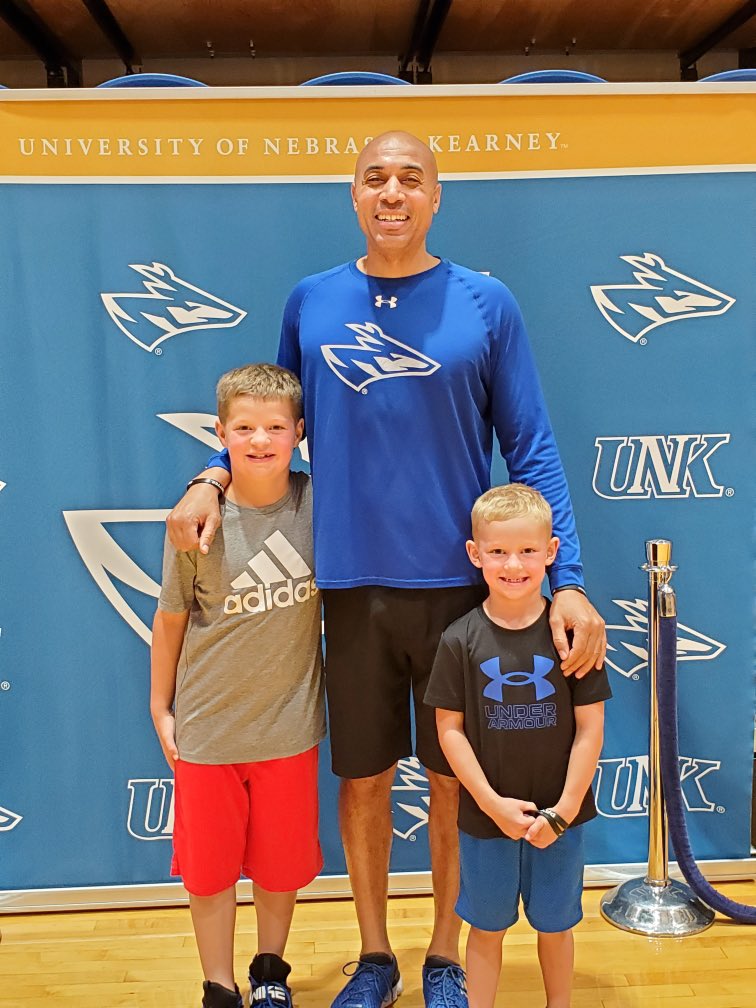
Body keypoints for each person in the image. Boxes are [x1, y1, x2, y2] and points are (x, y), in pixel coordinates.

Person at [166, 131, 607, 1008]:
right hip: (351, 586)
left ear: (437, 195)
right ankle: (376, 957)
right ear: (354, 196)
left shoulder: (486, 303)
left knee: (451, 779)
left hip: (457, 590)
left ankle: (445, 954)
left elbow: (532, 446)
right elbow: (268, 425)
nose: (393, 192)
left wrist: (572, 577)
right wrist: (211, 475)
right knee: (363, 779)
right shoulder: (312, 301)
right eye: (376, 178)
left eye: (411, 178)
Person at [151, 363, 325, 1008]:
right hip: (209, 730)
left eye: (276, 427)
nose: (260, 440)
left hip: (290, 727)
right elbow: (171, 619)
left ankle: (270, 974)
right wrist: (158, 705)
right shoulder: (195, 520)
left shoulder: (318, 504)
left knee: (280, 869)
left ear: (299, 433)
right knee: (210, 871)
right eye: (244, 427)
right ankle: (219, 986)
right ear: (220, 434)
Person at [425, 484, 611, 1008]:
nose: (514, 564)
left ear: (552, 552)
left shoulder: (574, 639)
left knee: (555, 928)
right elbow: (450, 731)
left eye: (529, 550)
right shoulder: (459, 639)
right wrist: (489, 803)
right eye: (500, 551)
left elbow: (591, 728)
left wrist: (567, 809)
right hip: (488, 821)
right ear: (475, 554)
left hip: (560, 818)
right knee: (485, 930)